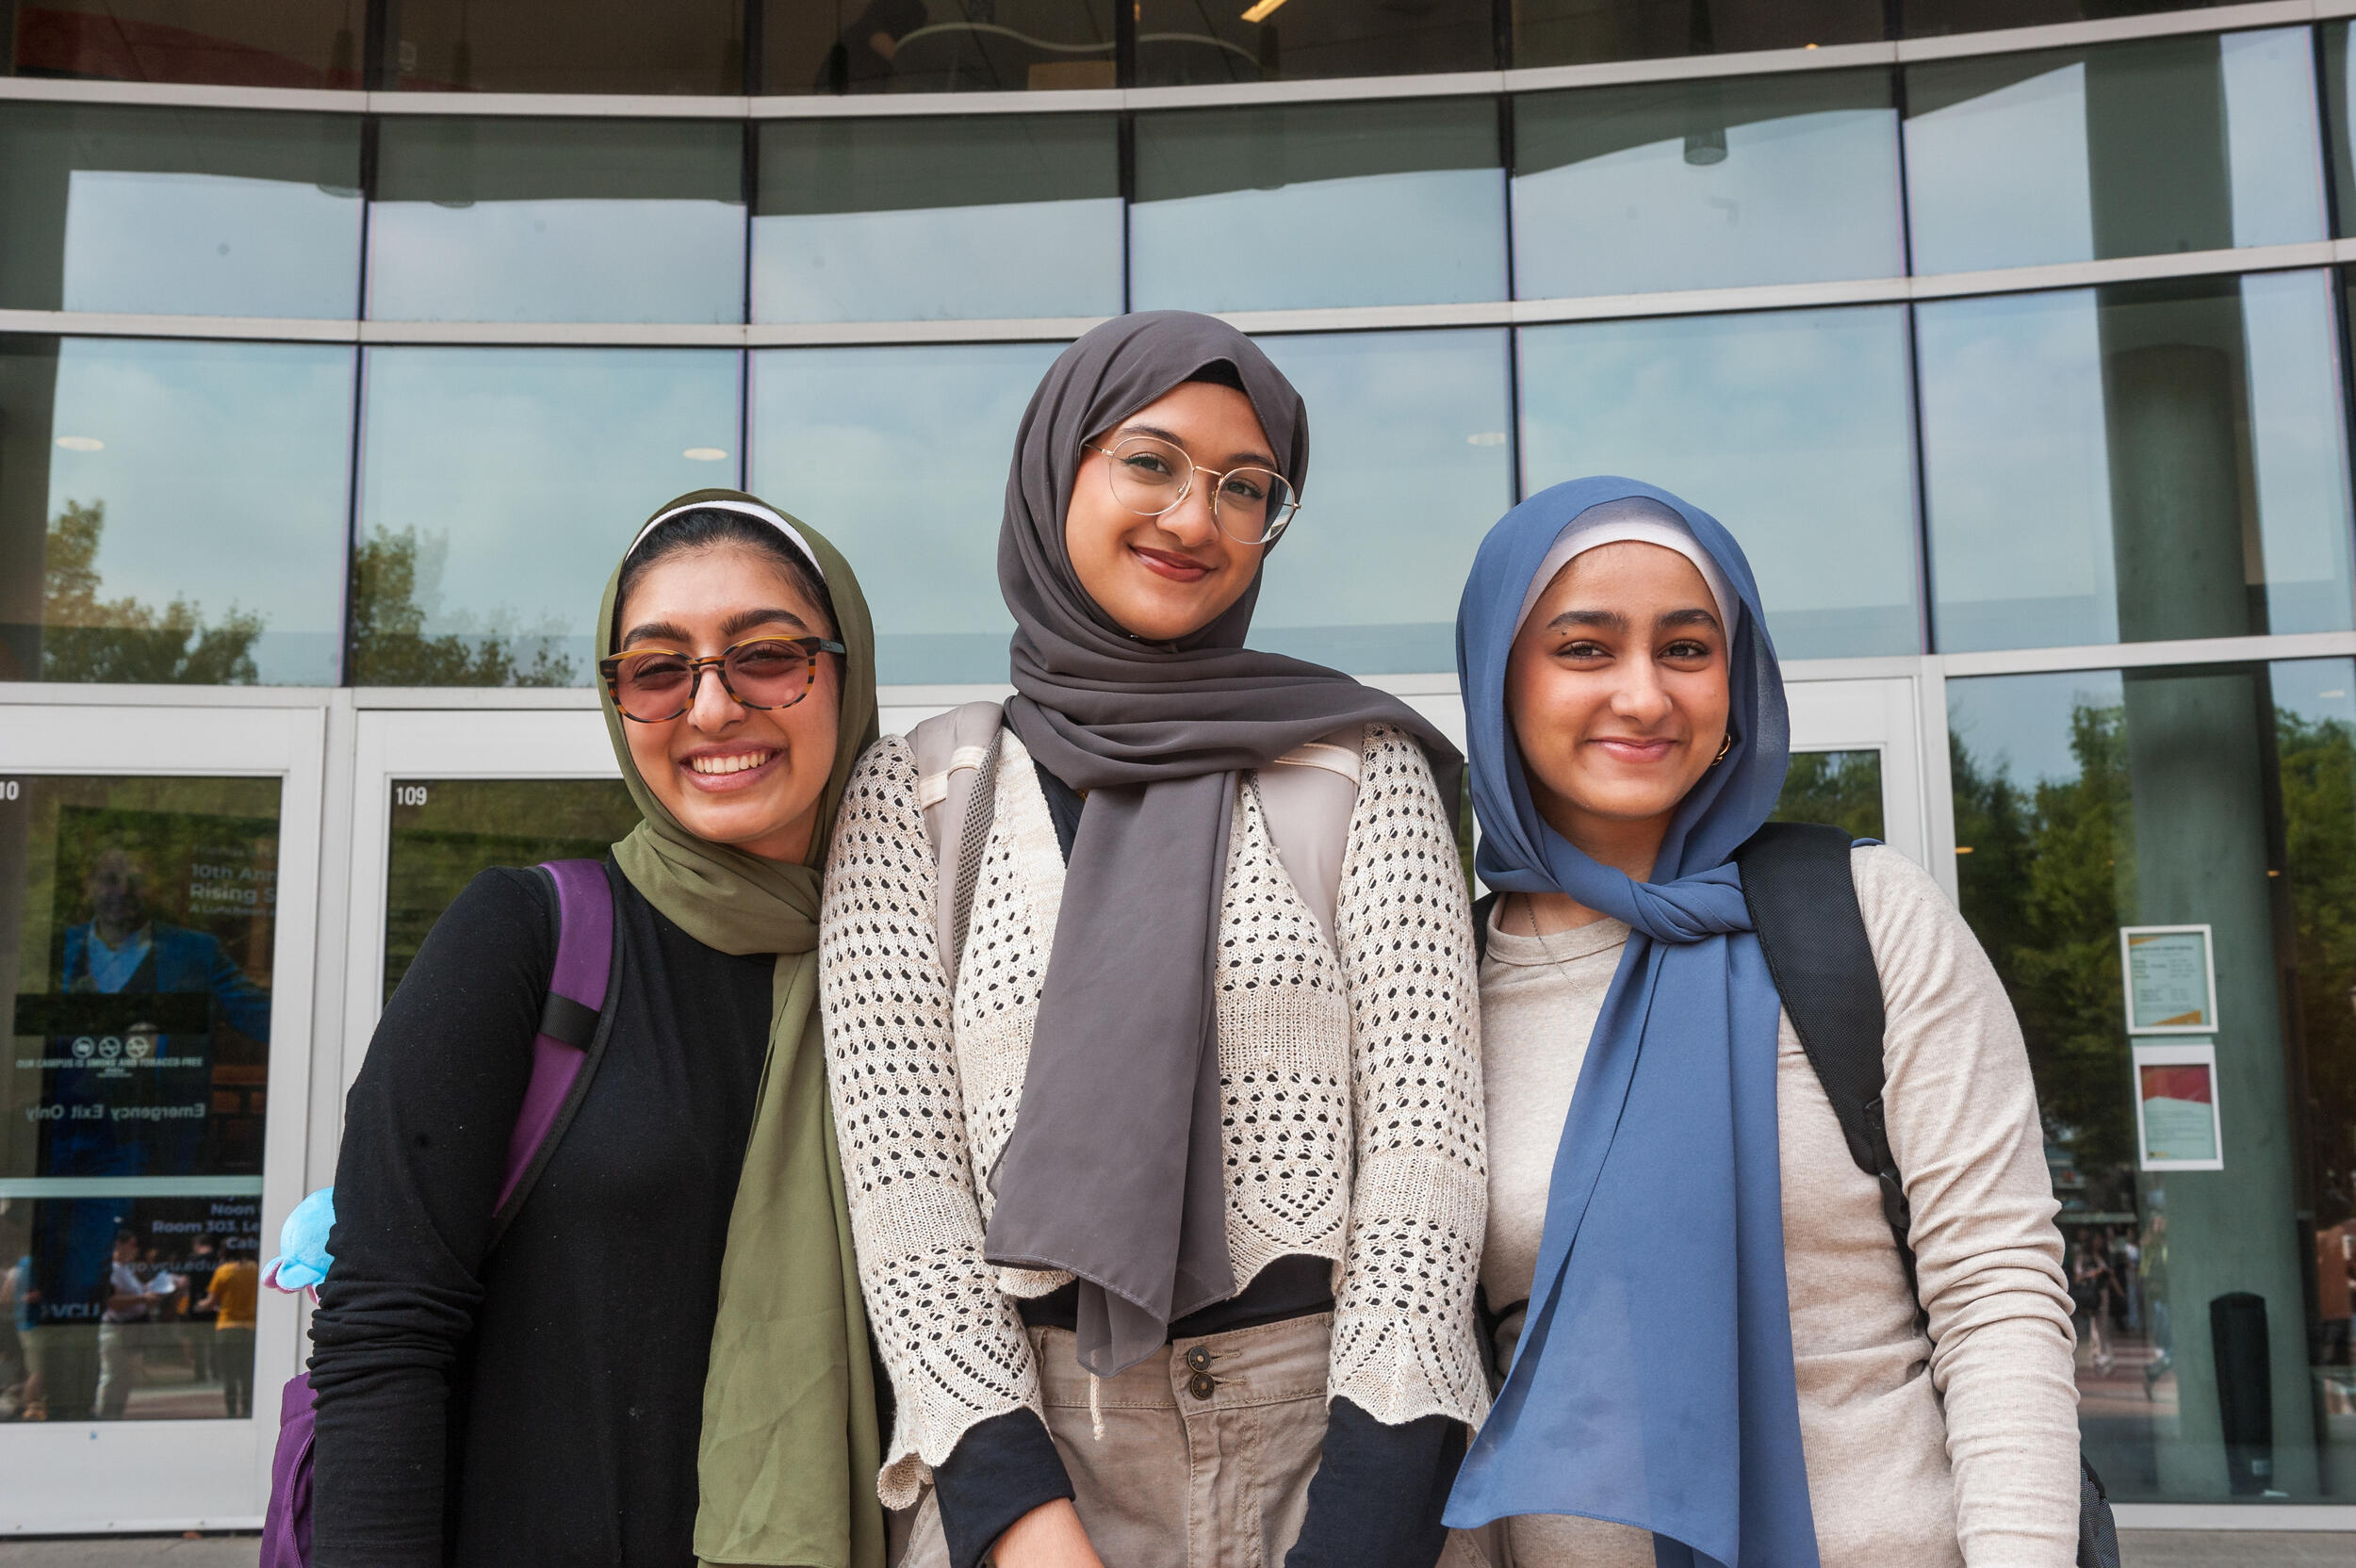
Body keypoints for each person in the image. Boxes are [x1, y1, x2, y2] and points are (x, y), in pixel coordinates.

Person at [819, 312, 1488, 1568]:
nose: (1195, 519)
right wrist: (1020, 1519)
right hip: (1036, 1450)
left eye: (1247, 488)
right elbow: (906, 1192)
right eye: (1151, 462)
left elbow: (1428, 1148)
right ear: (1056, 466)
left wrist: (1370, 1515)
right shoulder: (917, 793)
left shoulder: (1356, 764)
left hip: (1338, 1446)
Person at [1443, 478, 2082, 1566]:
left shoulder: (1865, 915)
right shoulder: (1444, 980)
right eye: (1585, 648)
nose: (1644, 695)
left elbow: (1997, 1288)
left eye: (1686, 648)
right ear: (1499, 679)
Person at [307, 490, 887, 1568]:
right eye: (658, 669)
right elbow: (382, 1331)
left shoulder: (924, 963)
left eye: (766, 655)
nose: (710, 709)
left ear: (847, 673)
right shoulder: (525, 937)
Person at [95, 1229, 171, 1418]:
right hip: (116, 1329)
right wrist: (143, 1298)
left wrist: (148, 1293)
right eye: (133, 1245)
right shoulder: (111, 1269)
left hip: (130, 1329)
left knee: (125, 1377)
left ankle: (116, 1414)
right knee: (112, 1376)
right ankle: (104, 1415)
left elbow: (134, 1294)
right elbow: (111, 1300)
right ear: (119, 1245)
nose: (135, 1250)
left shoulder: (126, 1269)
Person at [199, 1249, 256, 1418]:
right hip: (250, 1327)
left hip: (227, 1326)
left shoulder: (223, 1271)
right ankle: (247, 1408)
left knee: (229, 1372)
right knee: (247, 1371)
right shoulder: (255, 1269)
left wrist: (199, 1305)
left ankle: (231, 1409)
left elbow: (211, 1302)